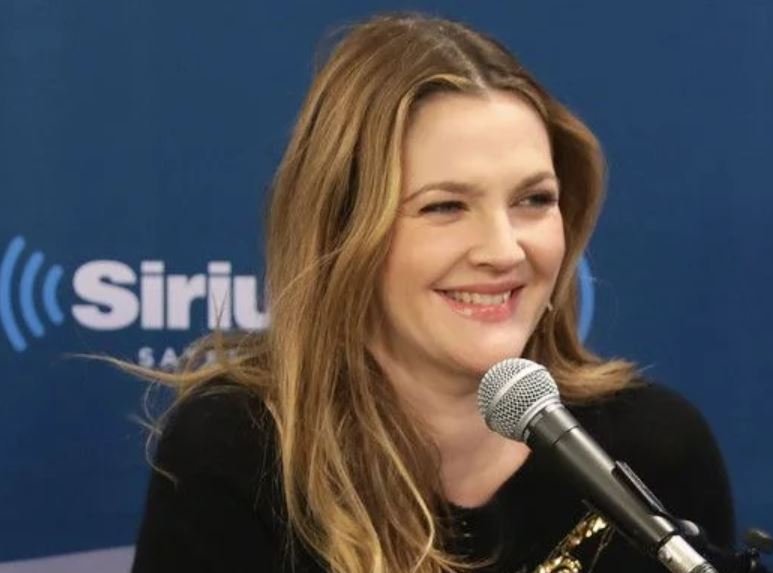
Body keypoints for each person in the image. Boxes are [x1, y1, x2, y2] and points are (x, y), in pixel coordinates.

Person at [130, 12, 736, 573]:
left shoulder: (657, 448)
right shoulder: (240, 456)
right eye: (445, 206)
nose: (503, 250)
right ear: (343, 231)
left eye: (533, 200)